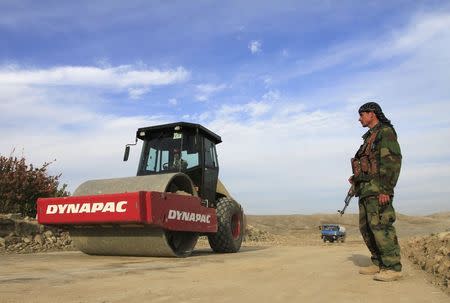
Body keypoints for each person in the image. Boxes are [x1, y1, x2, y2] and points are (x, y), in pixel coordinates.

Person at [349, 102, 403, 282]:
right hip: (366, 190)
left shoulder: (385, 132)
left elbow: (392, 161)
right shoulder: (368, 138)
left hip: (379, 189)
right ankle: (379, 262)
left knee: (381, 226)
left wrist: (386, 189)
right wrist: (356, 179)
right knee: (367, 228)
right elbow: (368, 164)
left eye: (362, 115)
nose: (359, 118)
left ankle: (392, 267)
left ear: (372, 114)